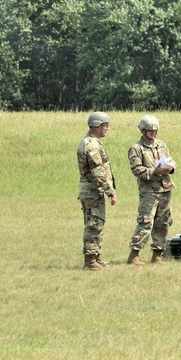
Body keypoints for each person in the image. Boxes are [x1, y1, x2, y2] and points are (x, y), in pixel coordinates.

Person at [127, 115, 176, 265]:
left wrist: (170, 167)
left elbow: (170, 160)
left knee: (163, 221)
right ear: (142, 131)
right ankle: (134, 254)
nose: (153, 133)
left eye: (155, 130)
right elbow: (136, 169)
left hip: (165, 188)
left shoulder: (161, 145)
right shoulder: (136, 148)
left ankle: (157, 254)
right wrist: (154, 171)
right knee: (146, 221)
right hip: (149, 190)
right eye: (150, 131)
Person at [77, 112, 117, 270]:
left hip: (92, 190)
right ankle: (90, 261)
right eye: (105, 125)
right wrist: (110, 191)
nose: (107, 128)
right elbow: (98, 171)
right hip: (93, 191)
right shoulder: (92, 145)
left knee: (97, 223)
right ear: (96, 126)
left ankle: (97, 256)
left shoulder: (90, 142)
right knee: (94, 224)